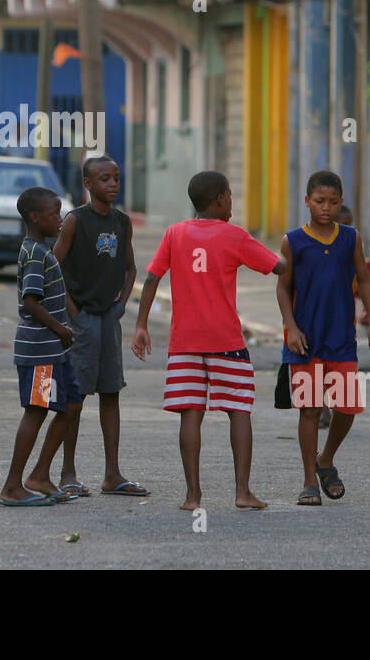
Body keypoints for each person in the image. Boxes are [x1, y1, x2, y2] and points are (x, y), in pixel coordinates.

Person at [132, 170, 283, 511]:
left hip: (184, 342)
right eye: (230, 196)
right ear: (219, 199)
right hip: (226, 340)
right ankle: (242, 492)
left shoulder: (174, 233)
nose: (232, 202)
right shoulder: (235, 236)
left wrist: (141, 323)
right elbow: (277, 266)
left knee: (190, 416)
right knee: (238, 410)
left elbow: (152, 277)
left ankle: (192, 496)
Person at [276, 170, 370, 506]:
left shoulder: (350, 237)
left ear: (341, 202)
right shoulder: (292, 240)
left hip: (341, 338)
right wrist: (291, 328)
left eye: (333, 201)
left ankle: (326, 459)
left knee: (347, 408)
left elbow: (364, 280)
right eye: (319, 201)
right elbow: (282, 286)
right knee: (309, 411)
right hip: (305, 341)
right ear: (307, 201)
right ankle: (309, 480)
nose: (326, 207)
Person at [52, 155, 145, 498]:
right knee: (75, 397)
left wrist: (121, 305)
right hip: (83, 320)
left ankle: (113, 474)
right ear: (88, 184)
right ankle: (68, 473)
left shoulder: (122, 222)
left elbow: (131, 268)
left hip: (110, 319)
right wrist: (72, 311)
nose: (113, 184)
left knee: (110, 392)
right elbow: (54, 267)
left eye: (116, 178)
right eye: (104, 179)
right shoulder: (76, 220)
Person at [0, 186, 83, 507]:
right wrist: (60, 328)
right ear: (35, 217)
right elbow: (30, 302)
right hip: (40, 352)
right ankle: (12, 485)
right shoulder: (34, 253)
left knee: (71, 405)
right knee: (36, 411)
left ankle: (40, 475)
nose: (60, 219)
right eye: (53, 214)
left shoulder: (43, 249)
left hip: (55, 352)